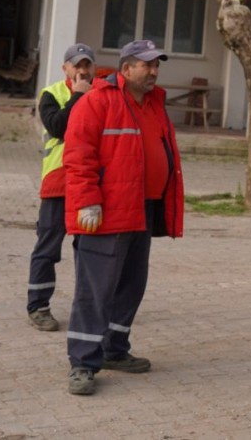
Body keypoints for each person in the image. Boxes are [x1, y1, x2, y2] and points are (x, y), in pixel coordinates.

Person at [63, 38, 184, 396]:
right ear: (126, 68)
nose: (154, 71)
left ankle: (115, 350)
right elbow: (78, 154)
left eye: (157, 64)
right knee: (95, 290)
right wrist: (87, 201)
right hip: (105, 212)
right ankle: (83, 363)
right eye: (147, 64)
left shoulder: (155, 105)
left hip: (142, 209)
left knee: (131, 285)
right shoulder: (97, 101)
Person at [26, 42, 96, 331]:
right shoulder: (51, 94)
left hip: (90, 184)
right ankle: (38, 307)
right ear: (65, 68)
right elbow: (59, 127)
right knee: (48, 247)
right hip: (58, 182)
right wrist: (79, 96)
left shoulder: (103, 93)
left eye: (86, 64)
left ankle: (91, 307)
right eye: (76, 64)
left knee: (91, 251)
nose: (82, 69)